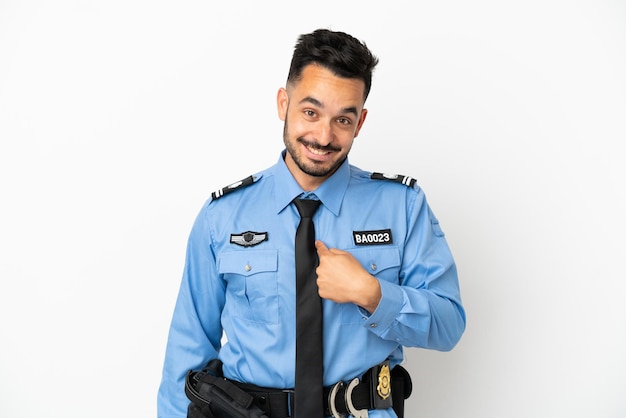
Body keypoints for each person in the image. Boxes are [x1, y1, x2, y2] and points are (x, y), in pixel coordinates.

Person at [157, 28, 466, 418]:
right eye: (310, 112)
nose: (323, 136)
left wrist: (372, 293)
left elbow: (449, 324)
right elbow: (187, 357)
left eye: (342, 119)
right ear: (283, 103)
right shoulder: (223, 217)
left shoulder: (402, 207)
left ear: (361, 121)